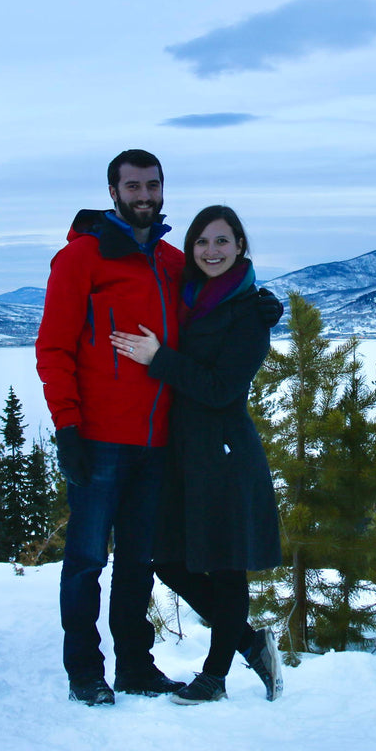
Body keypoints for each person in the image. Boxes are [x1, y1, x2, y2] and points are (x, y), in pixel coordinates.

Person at [111, 205, 285, 705]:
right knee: (169, 561)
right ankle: (251, 641)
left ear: (239, 248)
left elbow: (221, 388)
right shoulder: (186, 294)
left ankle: (215, 675)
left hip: (225, 452)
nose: (211, 251)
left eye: (222, 242)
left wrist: (157, 359)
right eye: (202, 242)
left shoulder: (249, 312)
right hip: (180, 451)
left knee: (227, 566)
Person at [35, 149, 188, 705]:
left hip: (157, 443)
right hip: (98, 442)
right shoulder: (82, 260)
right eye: (133, 186)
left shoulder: (172, 263)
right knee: (85, 563)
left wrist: (253, 307)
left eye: (152, 185)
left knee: (137, 565)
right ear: (114, 192)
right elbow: (53, 348)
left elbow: (211, 310)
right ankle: (84, 671)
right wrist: (68, 428)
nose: (144, 195)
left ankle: (135, 666)